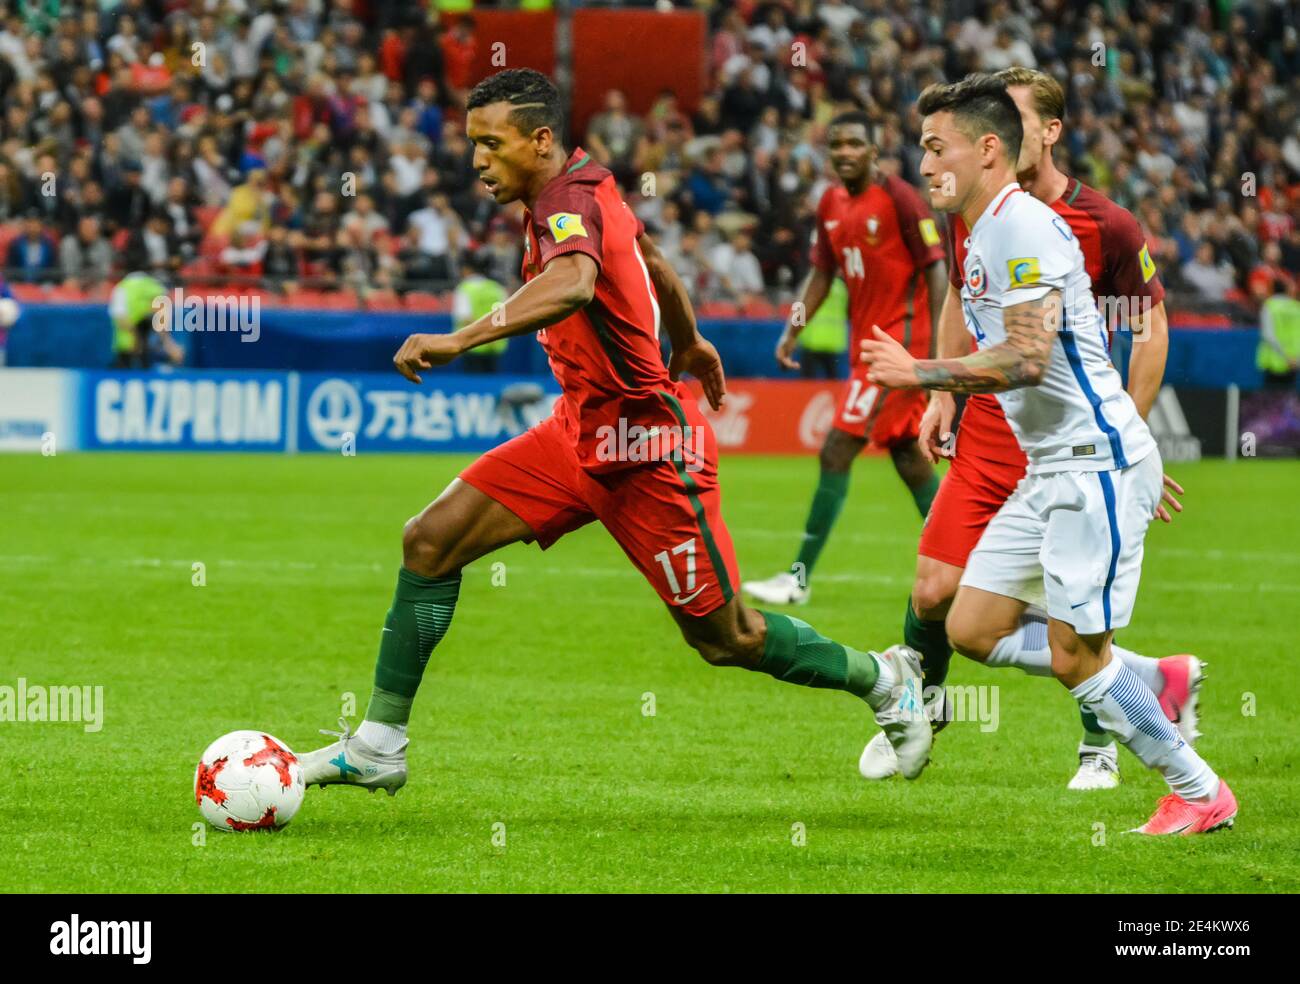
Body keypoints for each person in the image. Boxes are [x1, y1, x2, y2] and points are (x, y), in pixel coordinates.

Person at [296, 69, 934, 795]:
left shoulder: (564, 202)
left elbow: (572, 282)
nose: (476, 159)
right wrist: (689, 341)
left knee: (727, 639)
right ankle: (381, 744)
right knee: (430, 540)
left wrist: (459, 339)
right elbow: (653, 261)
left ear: (540, 140)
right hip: (577, 433)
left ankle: (886, 680)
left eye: (491, 144)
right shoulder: (586, 185)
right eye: (472, 143)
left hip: (648, 449)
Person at [861, 74, 1237, 834]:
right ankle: (1147, 675)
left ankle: (1199, 792)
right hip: (1051, 466)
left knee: (1073, 657)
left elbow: (1029, 357)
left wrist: (922, 375)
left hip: (1092, 460)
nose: (923, 163)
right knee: (970, 626)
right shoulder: (987, 229)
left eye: (937, 147)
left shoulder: (1024, 229)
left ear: (987, 149)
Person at [743, 111, 946, 606]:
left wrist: (938, 359)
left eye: (856, 143)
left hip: (899, 350)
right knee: (907, 459)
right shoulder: (830, 203)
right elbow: (821, 274)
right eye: (837, 145)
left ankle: (797, 578)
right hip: (868, 352)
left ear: (874, 150)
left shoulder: (900, 198)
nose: (845, 152)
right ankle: (974, 560)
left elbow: (938, 274)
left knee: (836, 449)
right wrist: (793, 327)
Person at [108, 271, 183, 369]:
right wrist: (169, 344)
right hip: (148, 347)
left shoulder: (122, 288)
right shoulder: (157, 288)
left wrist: (135, 339)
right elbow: (161, 319)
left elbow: (121, 319)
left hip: (128, 346)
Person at [451, 252, 508, 373]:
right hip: (495, 345)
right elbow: (502, 319)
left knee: (473, 386)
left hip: (472, 345)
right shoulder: (497, 288)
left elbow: (465, 318)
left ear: (466, 270)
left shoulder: (465, 288)